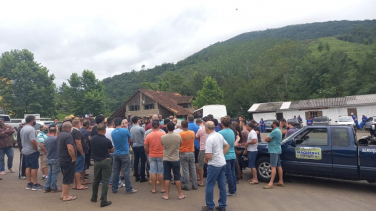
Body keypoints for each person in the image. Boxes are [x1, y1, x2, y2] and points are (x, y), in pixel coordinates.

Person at [202, 121, 229, 211]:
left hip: (214, 164)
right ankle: (222, 205)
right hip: (222, 163)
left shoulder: (209, 139)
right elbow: (227, 146)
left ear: (206, 128)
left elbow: (209, 155)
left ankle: (210, 205)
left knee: (210, 184)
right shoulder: (219, 135)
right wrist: (221, 155)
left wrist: (205, 159)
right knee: (222, 185)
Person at [90, 123, 114, 207]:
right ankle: (103, 200)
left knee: (96, 179)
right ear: (104, 130)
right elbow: (111, 150)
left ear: (97, 130)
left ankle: (94, 196)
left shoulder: (92, 139)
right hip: (105, 160)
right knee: (105, 180)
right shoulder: (107, 140)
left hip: (96, 161)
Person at [111, 118, 137, 194]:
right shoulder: (125, 130)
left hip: (116, 153)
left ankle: (114, 188)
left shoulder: (113, 132)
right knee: (126, 172)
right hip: (124, 153)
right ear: (121, 124)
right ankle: (129, 189)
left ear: (114, 124)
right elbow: (130, 139)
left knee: (116, 172)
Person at [161, 122, 185, 200]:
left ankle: (166, 195)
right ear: (174, 128)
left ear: (167, 128)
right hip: (175, 158)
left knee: (167, 177)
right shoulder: (178, 136)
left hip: (166, 158)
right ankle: (180, 194)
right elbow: (180, 145)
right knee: (177, 177)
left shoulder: (163, 137)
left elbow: (163, 145)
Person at [21, 115, 43, 190]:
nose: (35, 121)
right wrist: (36, 149)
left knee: (28, 167)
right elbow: (33, 140)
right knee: (34, 167)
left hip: (25, 150)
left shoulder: (23, 129)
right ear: (31, 120)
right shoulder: (31, 129)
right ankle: (35, 184)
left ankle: (29, 183)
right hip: (32, 151)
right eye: (34, 120)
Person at [57, 121, 77, 201]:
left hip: (61, 158)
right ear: (68, 128)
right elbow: (70, 148)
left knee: (65, 176)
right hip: (67, 159)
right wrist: (73, 158)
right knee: (67, 178)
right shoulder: (68, 135)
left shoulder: (60, 134)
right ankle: (66, 196)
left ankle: (64, 193)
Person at [144, 120, 166, 194]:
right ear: (159, 126)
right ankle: (163, 188)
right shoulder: (163, 134)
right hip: (161, 154)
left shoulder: (148, 135)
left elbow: (145, 147)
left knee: (153, 172)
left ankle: (154, 188)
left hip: (152, 155)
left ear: (152, 126)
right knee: (161, 172)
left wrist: (148, 152)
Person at [219, 117, 237, 197]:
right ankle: (234, 189)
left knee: (228, 174)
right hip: (233, 154)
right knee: (232, 173)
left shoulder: (220, 133)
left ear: (222, 124)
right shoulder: (232, 131)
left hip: (226, 155)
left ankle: (231, 190)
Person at [263, 120, 284, 189]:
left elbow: (267, 139)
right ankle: (280, 181)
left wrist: (267, 137)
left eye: (272, 124)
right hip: (277, 149)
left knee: (273, 166)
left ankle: (271, 183)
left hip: (273, 150)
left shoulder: (275, 131)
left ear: (274, 124)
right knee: (278, 166)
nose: (271, 125)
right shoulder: (279, 131)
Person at [179, 120, 198, 191]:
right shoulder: (192, 132)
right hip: (191, 151)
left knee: (185, 170)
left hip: (183, 152)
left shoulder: (180, 134)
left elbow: (179, 143)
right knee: (193, 169)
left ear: (182, 126)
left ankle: (187, 185)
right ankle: (195, 184)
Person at [71, 119, 88, 190]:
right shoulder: (77, 132)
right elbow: (78, 143)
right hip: (78, 153)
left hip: (75, 152)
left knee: (75, 168)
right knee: (78, 169)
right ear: (78, 124)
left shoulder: (72, 131)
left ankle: (75, 184)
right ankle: (78, 184)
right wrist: (82, 152)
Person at [44, 124, 61, 192]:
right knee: (54, 174)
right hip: (55, 157)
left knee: (50, 173)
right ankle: (54, 187)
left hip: (49, 157)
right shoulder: (56, 139)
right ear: (55, 131)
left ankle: (47, 186)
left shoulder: (46, 139)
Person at [130, 116, 147, 183]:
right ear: (137, 120)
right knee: (143, 161)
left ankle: (136, 175)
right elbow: (145, 137)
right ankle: (142, 176)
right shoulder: (141, 128)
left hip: (134, 145)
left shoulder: (131, 128)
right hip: (141, 145)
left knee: (136, 160)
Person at [196, 117, 208, 187]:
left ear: (203, 122)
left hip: (203, 148)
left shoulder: (201, 129)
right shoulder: (212, 129)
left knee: (201, 165)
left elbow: (197, 136)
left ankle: (201, 181)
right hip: (211, 149)